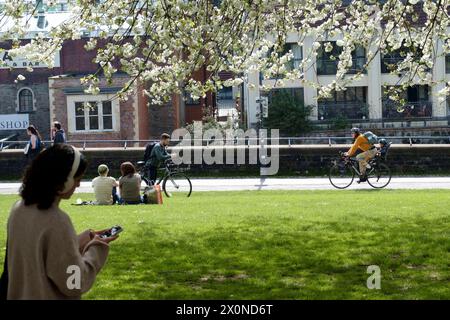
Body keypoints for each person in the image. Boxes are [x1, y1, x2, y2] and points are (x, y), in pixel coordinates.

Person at [2, 144, 118, 299]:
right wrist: (96, 249)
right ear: (64, 180)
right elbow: (74, 283)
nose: (78, 185)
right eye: (77, 179)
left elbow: (37, 254)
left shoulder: (18, 209)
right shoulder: (57, 221)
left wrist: (78, 240)